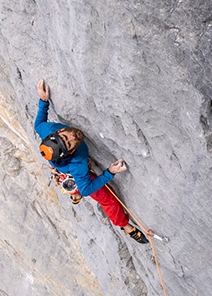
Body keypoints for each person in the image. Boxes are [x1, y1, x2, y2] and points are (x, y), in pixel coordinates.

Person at [34, 79, 149, 243]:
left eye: (65, 136)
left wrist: (43, 101)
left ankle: (75, 193)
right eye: (70, 143)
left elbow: (38, 123)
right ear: (72, 151)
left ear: (58, 132)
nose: (72, 137)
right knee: (107, 198)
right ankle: (125, 226)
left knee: (77, 186)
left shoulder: (47, 130)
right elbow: (87, 189)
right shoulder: (78, 163)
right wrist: (109, 173)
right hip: (71, 172)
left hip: (64, 168)